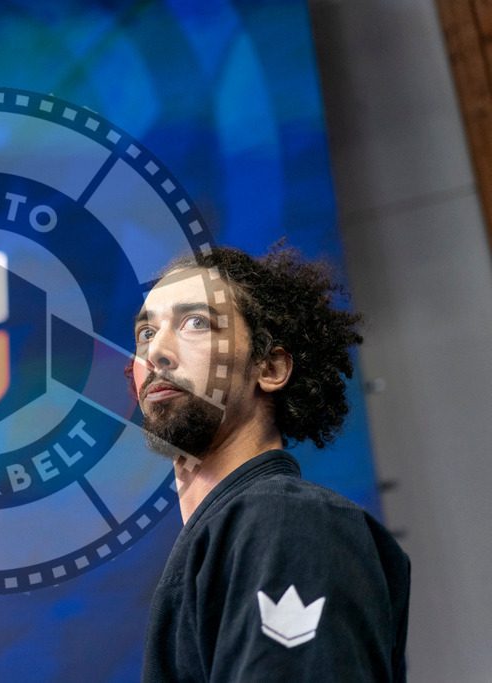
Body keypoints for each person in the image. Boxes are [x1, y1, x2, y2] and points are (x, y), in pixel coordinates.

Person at [132, 244, 409, 682]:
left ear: (271, 367)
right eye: (146, 333)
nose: (156, 353)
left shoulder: (287, 519)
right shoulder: (229, 533)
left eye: (196, 322)